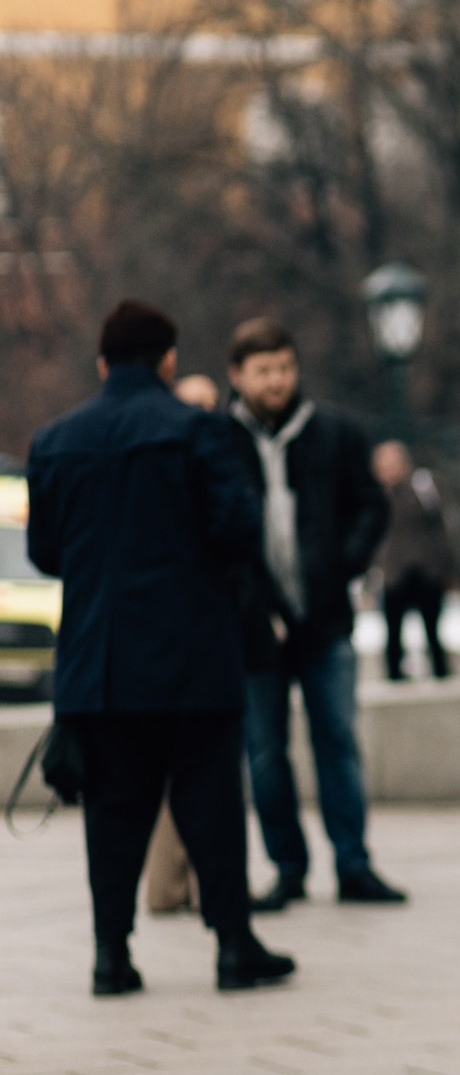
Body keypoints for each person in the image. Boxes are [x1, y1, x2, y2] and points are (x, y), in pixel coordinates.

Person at [24, 301, 296, 994]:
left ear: (102, 363)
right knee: (210, 803)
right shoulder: (198, 431)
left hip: (102, 662)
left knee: (113, 814)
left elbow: (45, 552)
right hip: (192, 657)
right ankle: (234, 947)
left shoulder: (55, 440)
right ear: (169, 361)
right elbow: (237, 531)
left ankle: (110, 956)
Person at [225, 318, 407, 910]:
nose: (276, 381)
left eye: (284, 367)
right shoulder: (218, 440)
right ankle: (287, 869)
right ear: (239, 376)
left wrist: (342, 566)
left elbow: (370, 508)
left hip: (325, 620)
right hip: (256, 629)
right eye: (263, 371)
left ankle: (353, 865)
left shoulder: (334, 432)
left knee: (337, 742)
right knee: (265, 753)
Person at [141, 373, 229, 918]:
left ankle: (182, 886)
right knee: (182, 773)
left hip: (188, 639)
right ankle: (173, 888)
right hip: (181, 641)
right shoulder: (195, 465)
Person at [373, 439, 460, 681]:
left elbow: (444, 529)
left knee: (432, 631)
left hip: (426, 571)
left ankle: (442, 677)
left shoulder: (424, 488)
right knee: (392, 635)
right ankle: (394, 679)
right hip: (392, 573)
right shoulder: (375, 496)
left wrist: (448, 568)